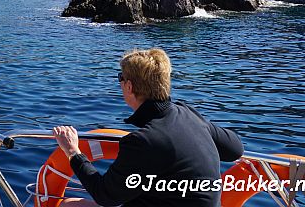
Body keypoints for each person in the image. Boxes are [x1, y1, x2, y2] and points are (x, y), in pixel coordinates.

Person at [53, 48, 244, 206]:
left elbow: (105, 195)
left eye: (120, 77)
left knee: (68, 204)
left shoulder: (143, 141)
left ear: (129, 86)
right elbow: (235, 149)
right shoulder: (188, 114)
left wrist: (73, 152)